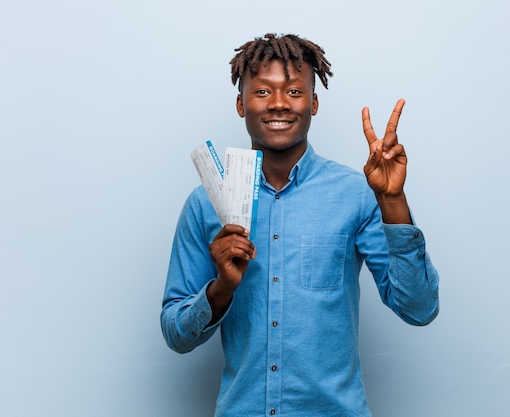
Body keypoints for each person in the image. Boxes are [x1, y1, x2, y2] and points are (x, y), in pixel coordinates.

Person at [161, 33, 439, 417]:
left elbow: (419, 308)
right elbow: (175, 334)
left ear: (314, 103)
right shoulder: (205, 203)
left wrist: (392, 200)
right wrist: (221, 290)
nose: (278, 104)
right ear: (241, 104)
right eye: (262, 92)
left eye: (294, 91)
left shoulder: (356, 195)